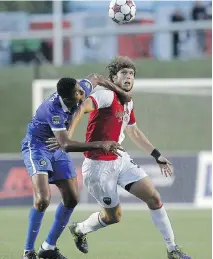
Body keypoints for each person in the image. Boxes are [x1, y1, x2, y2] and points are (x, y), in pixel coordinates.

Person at [48, 56, 192, 259]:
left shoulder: (127, 102)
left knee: (154, 197)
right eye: (124, 73)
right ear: (113, 77)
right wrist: (68, 134)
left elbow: (133, 132)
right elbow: (83, 107)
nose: (128, 77)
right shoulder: (106, 95)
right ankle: (80, 229)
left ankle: (172, 249)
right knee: (114, 217)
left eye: (131, 74)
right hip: (98, 167)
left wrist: (156, 155)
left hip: (120, 159)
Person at [21, 74, 130, 259]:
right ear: (67, 98)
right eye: (78, 93)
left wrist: (120, 92)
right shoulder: (53, 109)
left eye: (81, 89)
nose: (82, 93)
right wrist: (100, 144)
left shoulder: (80, 89)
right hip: (38, 146)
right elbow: (65, 145)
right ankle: (28, 252)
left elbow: (96, 78)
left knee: (72, 198)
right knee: (43, 199)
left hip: (57, 147)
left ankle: (48, 248)